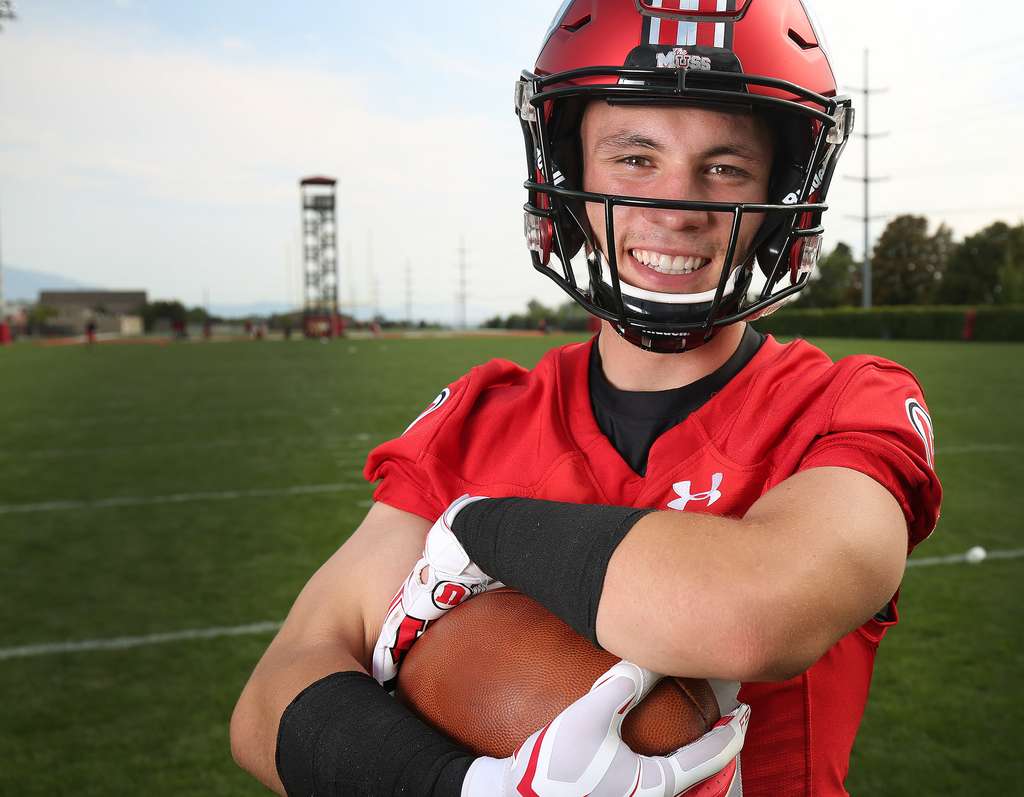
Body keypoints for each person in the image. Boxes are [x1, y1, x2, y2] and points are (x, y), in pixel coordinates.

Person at [231, 2, 942, 795]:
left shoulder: (847, 402)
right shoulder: (477, 418)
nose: (676, 207)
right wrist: (451, 788)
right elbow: (272, 698)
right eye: (635, 158)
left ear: (781, 196)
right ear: (569, 177)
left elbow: (754, 611)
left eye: (725, 167)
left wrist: (477, 527)